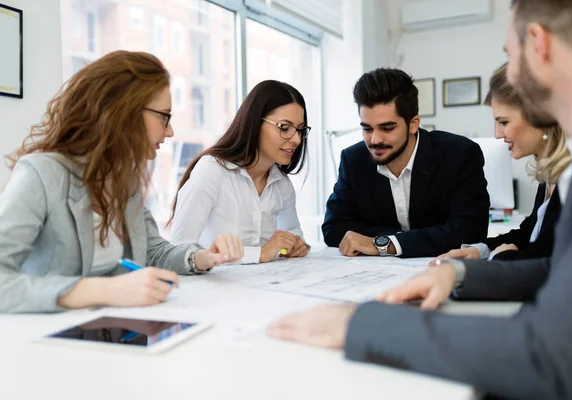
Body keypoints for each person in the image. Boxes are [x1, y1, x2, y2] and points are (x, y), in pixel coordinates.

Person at [268, 1, 572, 398]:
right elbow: (559, 270)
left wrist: (358, 324)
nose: (510, 72)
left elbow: (549, 357)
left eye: (510, 56)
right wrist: (459, 274)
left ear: (538, 44)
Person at [0, 51, 243, 314]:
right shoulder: (41, 174)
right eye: (164, 116)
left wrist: (202, 258)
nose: (170, 131)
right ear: (122, 111)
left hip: (109, 328)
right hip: (45, 336)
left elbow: (153, 252)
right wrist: (103, 290)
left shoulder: (123, 179)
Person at [321, 68, 490, 258]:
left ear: (413, 124)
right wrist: (402, 239)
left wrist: (386, 244)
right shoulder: (353, 160)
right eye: (367, 128)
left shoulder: (459, 154)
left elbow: (470, 232)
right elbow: (333, 228)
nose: (375, 139)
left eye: (387, 128)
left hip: (441, 272)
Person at [431, 63, 571, 265]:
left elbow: (548, 260)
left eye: (504, 122)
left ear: (541, 115)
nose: (497, 134)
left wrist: (501, 257)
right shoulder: (549, 176)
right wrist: (481, 250)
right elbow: (528, 233)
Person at [169, 80, 310, 264]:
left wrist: (294, 246)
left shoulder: (281, 184)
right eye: (285, 128)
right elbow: (179, 250)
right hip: (213, 288)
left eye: (300, 130)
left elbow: (293, 232)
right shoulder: (212, 170)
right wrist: (260, 253)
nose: (297, 140)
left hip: (266, 286)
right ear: (255, 122)